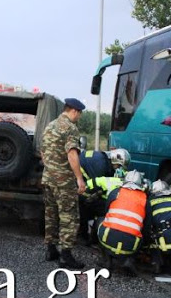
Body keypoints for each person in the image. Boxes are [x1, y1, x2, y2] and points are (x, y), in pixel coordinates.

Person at [41, 98, 87, 269]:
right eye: (79, 114)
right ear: (74, 111)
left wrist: (51, 170)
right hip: (64, 182)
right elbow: (72, 154)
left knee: (51, 215)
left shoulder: (50, 126)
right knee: (69, 217)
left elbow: (43, 152)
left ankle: (51, 250)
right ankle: (66, 256)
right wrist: (79, 179)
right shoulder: (70, 128)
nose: (79, 117)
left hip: (48, 179)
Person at [96, 170, 151, 274]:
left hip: (107, 238)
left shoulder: (115, 192)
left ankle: (106, 260)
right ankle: (128, 259)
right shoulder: (145, 200)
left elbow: (106, 211)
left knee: (100, 220)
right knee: (139, 232)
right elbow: (147, 228)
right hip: (131, 246)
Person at [79, 148, 130, 243]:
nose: (119, 169)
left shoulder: (105, 160)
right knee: (86, 203)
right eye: (119, 166)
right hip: (77, 179)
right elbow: (96, 185)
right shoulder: (101, 166)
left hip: (83, 177)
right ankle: (84, 235)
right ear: (114, 160)